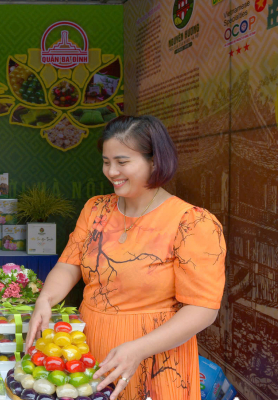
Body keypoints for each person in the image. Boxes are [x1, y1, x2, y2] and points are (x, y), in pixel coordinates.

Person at [24, 116, 226, 400]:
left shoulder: (191, 222)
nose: (111, 171)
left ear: (155, 162)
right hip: (90, 350)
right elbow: (69, 264)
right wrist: (45, 300)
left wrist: (138, 349)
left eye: (122, 162)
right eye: (106, 162)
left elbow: (203, 309)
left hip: (154, 356)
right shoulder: (96, 210)